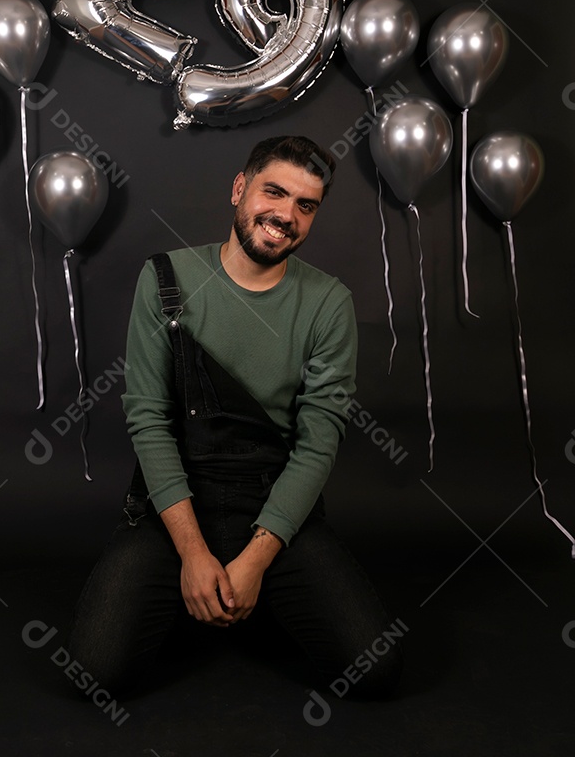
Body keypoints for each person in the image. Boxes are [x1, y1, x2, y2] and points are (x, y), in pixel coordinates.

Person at [68, 135, 402, 698]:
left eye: (306, 205)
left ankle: (255, 592)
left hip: (272, 505)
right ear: (239, 189)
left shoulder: (329, 303)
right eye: (274, 192)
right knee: (93, 672)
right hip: (175, 505)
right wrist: (193, 554)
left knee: (375, 670)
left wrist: (255, 561)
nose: (286, 216)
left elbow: (318, 445)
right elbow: (148, 421)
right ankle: (193, 590)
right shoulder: (165, 278)